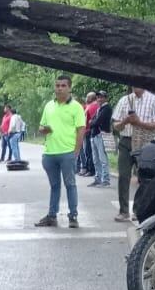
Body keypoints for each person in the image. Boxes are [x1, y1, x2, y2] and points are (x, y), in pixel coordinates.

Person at [34, 75, 87, 228]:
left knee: (70, 184)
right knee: (54, 185)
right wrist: (44, 130)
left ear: (69, 88)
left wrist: (76, 151)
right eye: (57, 85)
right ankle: (52, 215)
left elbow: (81, 129)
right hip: (50, 152)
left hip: (67, 152)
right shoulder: (49, 105)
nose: (59, 88)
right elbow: (41, 126)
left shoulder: (76, 106)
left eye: (63, 85)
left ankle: (73, 216)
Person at [111, 86, 155, 222]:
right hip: (126, 141)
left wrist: (139, 123)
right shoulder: (124, 100)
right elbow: (115, 126)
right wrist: (125, 121)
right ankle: (124, 211)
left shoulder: (154, 100)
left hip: (145, 143)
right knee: (123, 176)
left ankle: (139, 209)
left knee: (144, 177)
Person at [87, 90, 113, 187]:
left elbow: (96, 121)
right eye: (98, 97)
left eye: (101, 97)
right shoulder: (99, 108)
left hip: (102, 135)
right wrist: (92, 122)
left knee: (103, 159)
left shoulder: (107, 108)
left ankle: (105, 180)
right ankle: (98, 179)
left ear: (106, 98)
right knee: (96, 159)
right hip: (95, 135)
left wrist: (91, 122)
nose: (99, 99)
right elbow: (93, 119)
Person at [78, 92, 99, 176]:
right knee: (87, 151)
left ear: (91, 98)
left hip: (88, 131)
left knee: (88, 151)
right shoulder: (89, 106)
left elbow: (91, 119)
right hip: (86, 131)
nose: (86, 98)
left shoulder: (93, 106)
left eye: (87, 97)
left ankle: (90, 169)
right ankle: (87, 168)